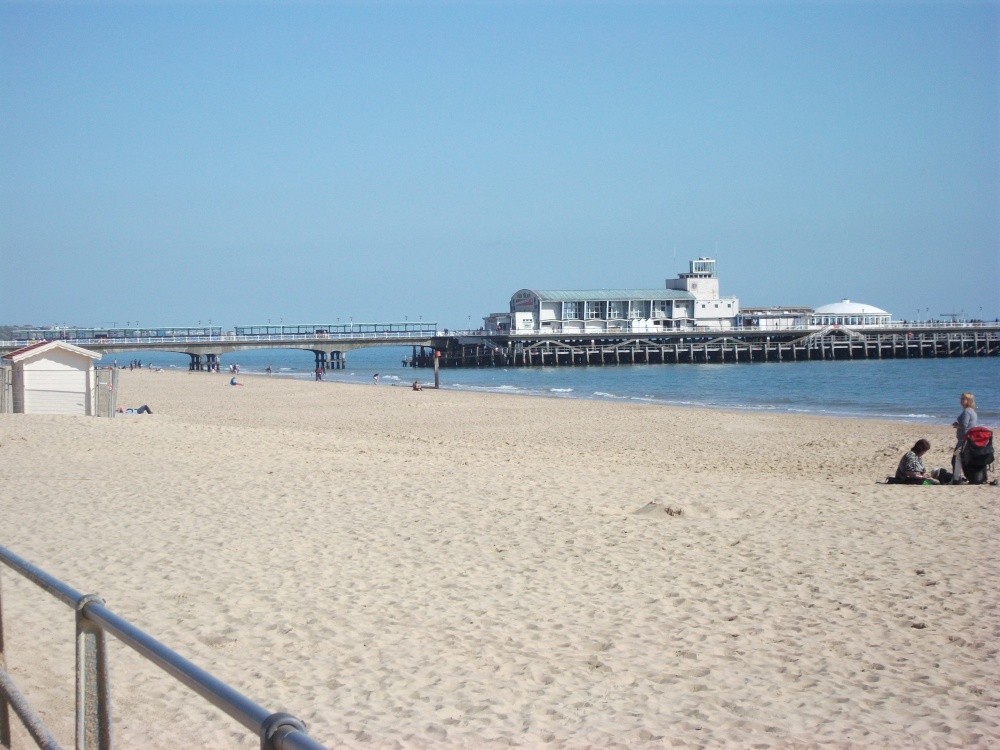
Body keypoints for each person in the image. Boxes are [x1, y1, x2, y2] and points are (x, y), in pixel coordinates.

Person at [951, 392, 978, 482]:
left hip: (964, 439)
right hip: (969, 438)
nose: (961, 400)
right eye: (961, 398)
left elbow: (964, 425)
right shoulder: (972, 411)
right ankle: (958, 478)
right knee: (961, 459)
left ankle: (956, 479)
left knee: (955, 459)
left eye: (963, 399)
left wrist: (957, 425)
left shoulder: (967, 411)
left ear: (968, 400)